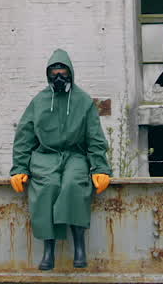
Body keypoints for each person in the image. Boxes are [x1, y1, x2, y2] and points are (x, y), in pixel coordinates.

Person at [9, 49, 111, 270]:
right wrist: (19, 168)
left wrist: (100, 167)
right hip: (45, 156)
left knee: (74, 185)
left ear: (70, 72)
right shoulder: (39, 101)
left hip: (75, 155)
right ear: (48, 74)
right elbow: (24, 136)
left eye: (62, 71)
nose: (58, 76)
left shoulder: (83, 100)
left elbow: (95, 136)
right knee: (47, 187)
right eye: (54, 71)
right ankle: (49, 250)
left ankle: (80, 247)